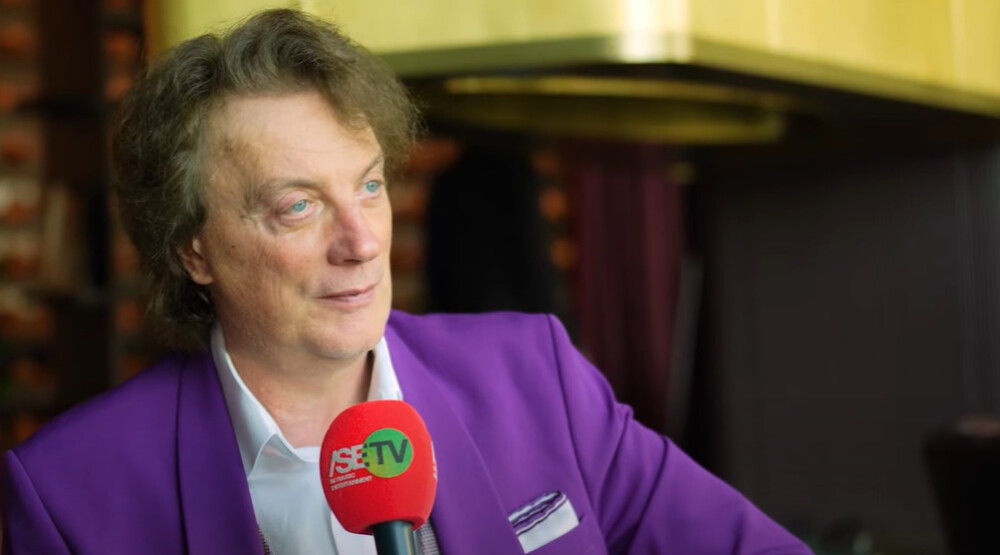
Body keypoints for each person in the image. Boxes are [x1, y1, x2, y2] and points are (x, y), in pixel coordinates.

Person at [1, 9, 811, 555]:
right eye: (297, 206)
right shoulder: (69, 492)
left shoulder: (535, 375)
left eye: (369, 185)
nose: (361, 242)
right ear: (194, 250)